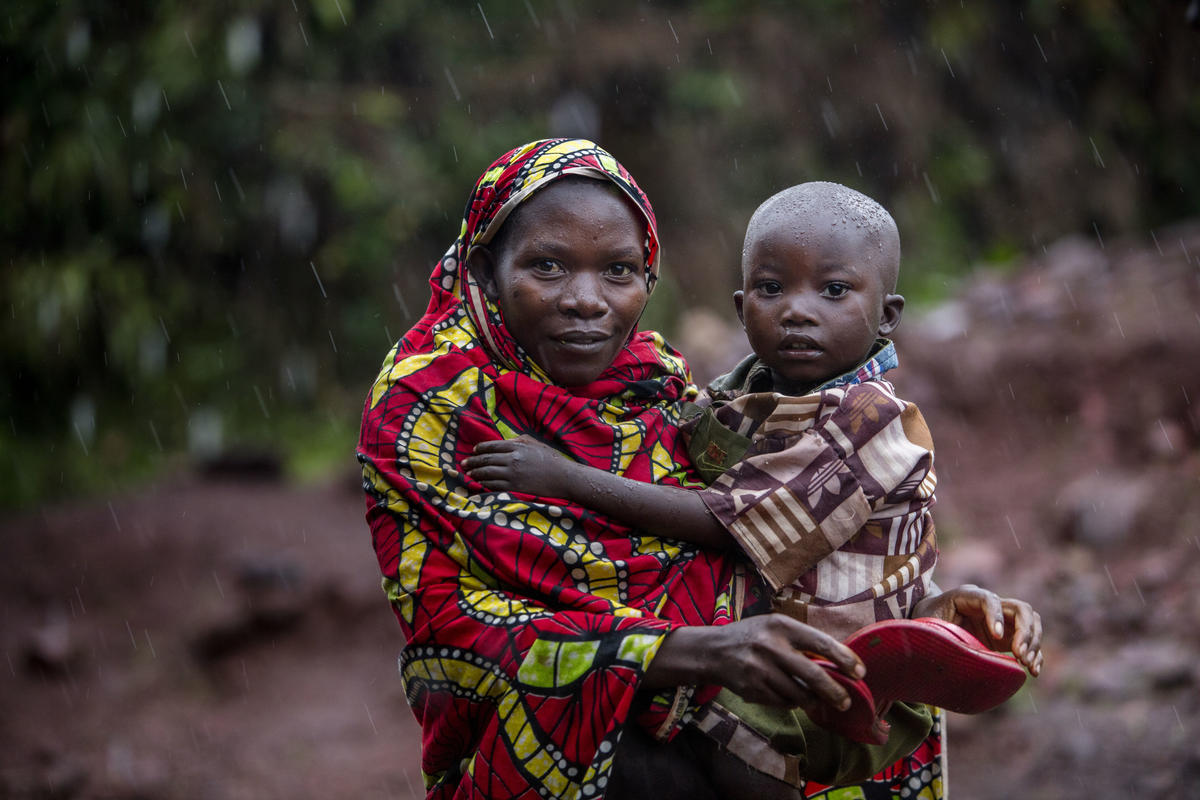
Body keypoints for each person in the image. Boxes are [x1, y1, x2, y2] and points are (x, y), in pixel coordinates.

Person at [358, 140, 905, 800]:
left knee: (867, 735)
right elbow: (460, 627)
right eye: (548, 266)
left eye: (617, 270)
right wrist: (699, 650)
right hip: (544, 749)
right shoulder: (427, 404)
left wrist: (922, 596)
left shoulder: (656, 382)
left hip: (729, 725)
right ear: (484, 270)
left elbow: (765, 530)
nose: (586, 301)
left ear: (647, 279)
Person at [464, 181, 1044, 795]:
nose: (798, 309)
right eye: (772, 289)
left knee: (738, 757)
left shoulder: (872, 422)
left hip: (852, 681)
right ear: (742, 309)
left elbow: (729, 524)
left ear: (888, 316)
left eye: (835, 290)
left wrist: (568, 479)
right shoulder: (729, 398)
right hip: (775, 662)